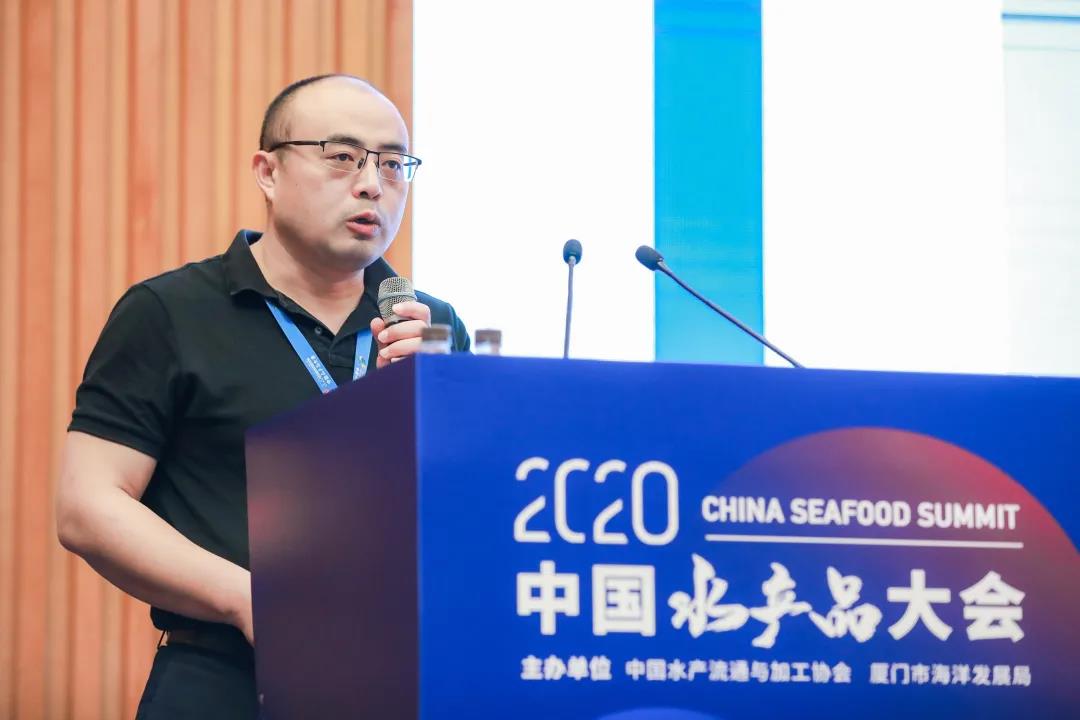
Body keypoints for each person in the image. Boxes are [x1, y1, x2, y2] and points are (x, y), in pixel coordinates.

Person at [55, 74, 469, 719]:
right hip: (225, 675)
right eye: (342, 156)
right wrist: (249, 600)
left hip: (400, 675)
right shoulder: (171, 312)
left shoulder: (431, 328)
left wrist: (441, 408)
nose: (372, 184)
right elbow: (88, 505)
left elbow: (467, 514)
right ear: (268, 172)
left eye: (393, 164)